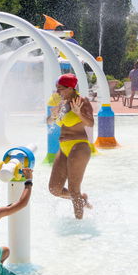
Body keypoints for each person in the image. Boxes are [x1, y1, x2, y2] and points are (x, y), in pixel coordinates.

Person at [47, 73, 95, 219]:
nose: (57, 92)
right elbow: (49, 122)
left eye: (60, 89)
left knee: (74, 188)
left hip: (79, 146)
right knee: (54, 189)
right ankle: (82, 200)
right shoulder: (61, 103)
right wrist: (53, 116)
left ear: (70, 88)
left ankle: (78, 226)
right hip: (63, 147)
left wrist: (78, 113)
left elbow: (90, 123)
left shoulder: (82, 101)